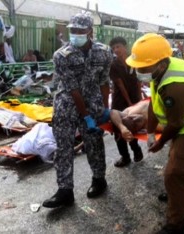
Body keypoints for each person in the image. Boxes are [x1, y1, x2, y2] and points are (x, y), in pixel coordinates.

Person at [126, 33, 184, 234]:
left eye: (143, 67)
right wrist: (150, 132)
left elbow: (176, 123)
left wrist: (159, 142)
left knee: (173, 174)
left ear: (159, 63)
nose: (139, 70)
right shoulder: (162, 70)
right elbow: (153, 104)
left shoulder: (175, 86)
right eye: (137, 66)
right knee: (177, 163)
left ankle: (176, 226)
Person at [42, 12, 113, 209]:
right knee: (64, 146)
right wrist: (86, 116)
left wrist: (105, 110)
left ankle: (99, 179)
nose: (75, 34)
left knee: (94, 143)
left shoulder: (104, 52)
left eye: (80, 30)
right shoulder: (61, 55)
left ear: (90, 30)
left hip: (94, 103)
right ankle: (65, 191)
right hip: (67, 105)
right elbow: (72, 88)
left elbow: (104, 81)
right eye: (72, 30)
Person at [109, 36, 143, 167]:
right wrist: (129, 103)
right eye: (114, 48)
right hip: (120, 100)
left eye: (118, 46)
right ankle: (125, 156)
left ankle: (136, 150)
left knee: (132, 125)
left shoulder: (134, 61)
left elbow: (139, 80)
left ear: (125, 46)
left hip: (134, 98)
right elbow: (120, 84)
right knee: (118, 128)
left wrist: (138, 100)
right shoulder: (114, 65)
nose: (116, 50)